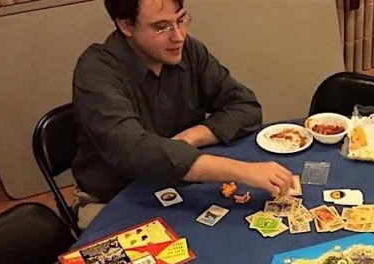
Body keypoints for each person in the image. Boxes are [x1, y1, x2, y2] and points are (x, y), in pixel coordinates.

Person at [71, 0, 293, 228]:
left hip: (180, 186)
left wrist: (190, 138)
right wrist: (241, 171)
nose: (178, 36)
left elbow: (245, 106)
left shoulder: (189, 51)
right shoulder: (95, 71)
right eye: (161, 27)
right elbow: (134, 151)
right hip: (112, 199)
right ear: (126, 25)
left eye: (180, 20)